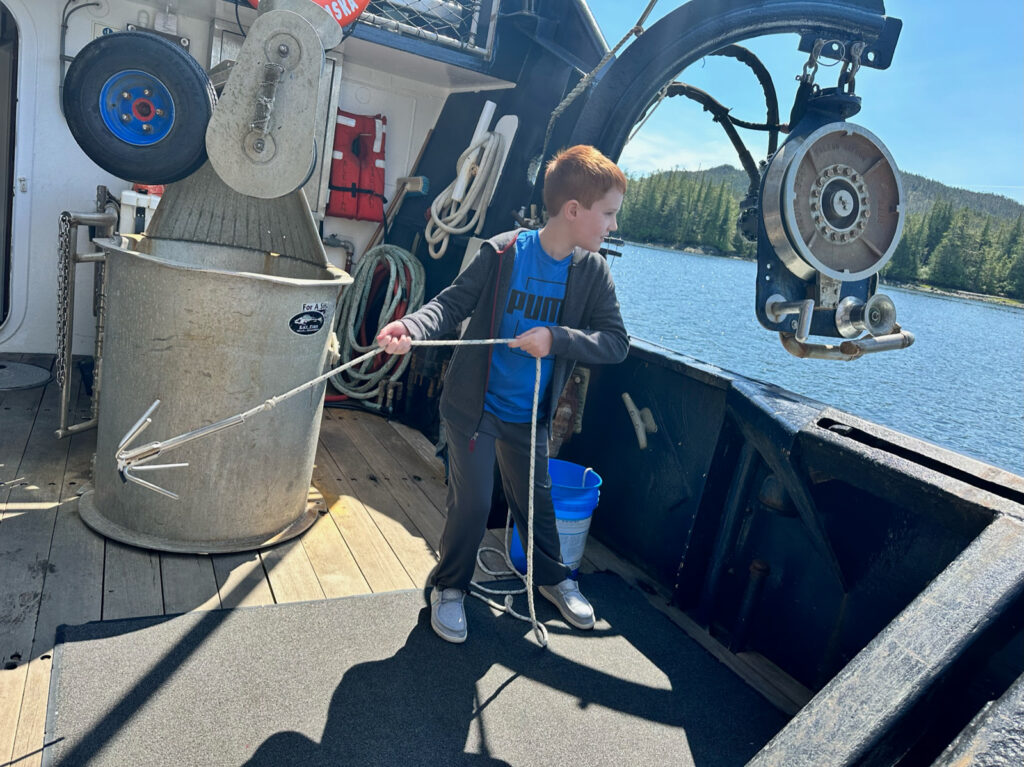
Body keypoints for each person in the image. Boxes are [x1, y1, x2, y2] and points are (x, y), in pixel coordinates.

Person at [377, 145, 629, 643]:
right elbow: (449, 306)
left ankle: (554, 579)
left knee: (537, 502)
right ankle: (448, 589)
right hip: (475, 409)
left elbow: (616, 342)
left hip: (528, 415)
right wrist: (409, 325)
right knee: (472, 505)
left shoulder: (593, 272)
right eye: (609, 214)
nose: (613, 226)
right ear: (574, 211)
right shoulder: (501, 252)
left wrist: (555, 338)